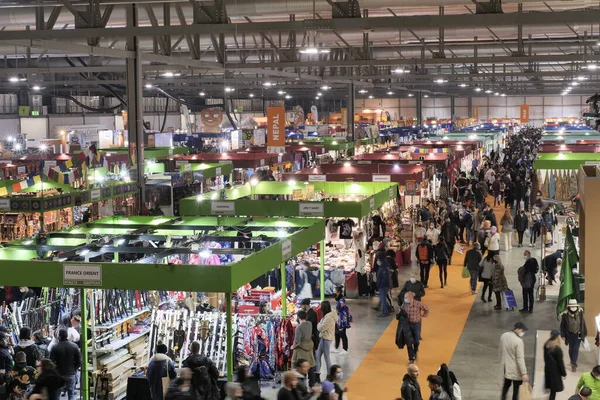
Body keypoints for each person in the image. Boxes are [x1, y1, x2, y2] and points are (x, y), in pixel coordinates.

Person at [499, 322, 529, 400]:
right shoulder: (518, 341)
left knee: (506, 385)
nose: (523, 332)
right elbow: (520, 358)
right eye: (522, 330)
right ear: (517, 329)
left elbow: (500, 350)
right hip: (516, 370)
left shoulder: (504, 335)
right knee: (516, 390)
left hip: (506, 367)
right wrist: (524, 373)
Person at [49, 328, 80, 400]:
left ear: (59, 336)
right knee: (71, 394)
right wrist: (74, 369)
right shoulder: (74, 346)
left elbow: (51, 362)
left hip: (59, 373)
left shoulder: (55, 347)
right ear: (67, 336)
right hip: (71, 373)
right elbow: (79, 361)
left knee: (56, 395)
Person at [401, 292, 429, 364]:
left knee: (416, 341)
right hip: (407, 325)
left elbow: (426, 309)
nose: (405, 299)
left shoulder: (418, 304)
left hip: (416, 325)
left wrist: (423, 315)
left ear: (410, 298)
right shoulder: (404, 304)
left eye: (406, 298)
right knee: (409, 342)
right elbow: (401, 311)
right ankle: (411, 358)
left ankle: (415, 351)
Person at [560, 299, 588, 372]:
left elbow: (583, 323)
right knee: (571, 349)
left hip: (578, 334)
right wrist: (563, 335)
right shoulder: (565, 315)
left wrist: (584, 332)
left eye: (574, 306)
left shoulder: (580, 312)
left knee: (575, 349)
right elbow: (562, 326)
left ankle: (573, 363)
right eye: (572, 306)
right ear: (569, 307)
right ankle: (572, 360)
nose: (573, 307)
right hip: (569, 334)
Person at [315, 301, 338, 380]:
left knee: (326, 357)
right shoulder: (327, 315)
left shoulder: (328, 318)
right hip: (324, 338)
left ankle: (329, 375)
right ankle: (317, 373)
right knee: (317, 355)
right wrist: (320, 324)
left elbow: (320, 328)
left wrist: (319, 325)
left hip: (326, 339)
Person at [544, 330, 567, 400]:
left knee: (552, 389)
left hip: (548, 369)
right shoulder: (557, 349)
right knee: (553, 391)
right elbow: (560, 363)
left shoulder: (546, 345)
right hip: (555, 372)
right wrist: (564, 373)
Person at [333, 288, 351, 354]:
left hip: (342, 319)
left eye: (335, 291)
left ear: (338, 292)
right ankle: (336, 347)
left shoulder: (341, 300)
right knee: (337, 333)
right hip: (339, 318)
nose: (334, 292)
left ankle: (345, 349)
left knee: (343, 334)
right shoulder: (338, 300)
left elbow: (344, 310)